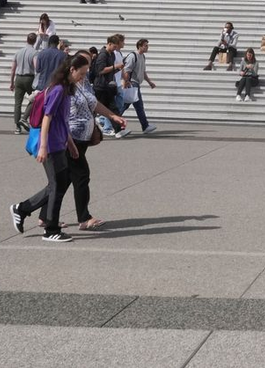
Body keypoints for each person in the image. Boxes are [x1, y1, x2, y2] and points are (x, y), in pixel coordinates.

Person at [10, 54, 82, 242]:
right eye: (81, 73)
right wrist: (43, 147)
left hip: (59, 143)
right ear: (71, 70)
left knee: (60, 183)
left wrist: (71, 144)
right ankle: (51, 229)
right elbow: (47, 118)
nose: (83, 77)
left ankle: (23, 209)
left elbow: (62, 120)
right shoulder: (58, 90)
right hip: (50, 145)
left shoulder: (66, 89)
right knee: (57, 185)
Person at [67, 50, 127, 231]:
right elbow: (54, 117)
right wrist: (67, 141)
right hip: (70, 138)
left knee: (64, 179)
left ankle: (43, 215)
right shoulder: (63, 87)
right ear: (72, 68)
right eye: (84, 69)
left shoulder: (82, 81)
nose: (87, 72)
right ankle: (83, 218)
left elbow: (93, 103)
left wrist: (112, 116)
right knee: (78, 177)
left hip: (82, 138)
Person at [116, 38, 157, 136]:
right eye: (145, 45)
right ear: (140, 46)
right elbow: (127, 70)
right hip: (132, 84)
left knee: (125, 105)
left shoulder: (142, 57)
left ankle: (109, 120)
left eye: (147, 45)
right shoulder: (133, 56)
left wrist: (149, 82)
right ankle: (145, 126)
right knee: (138, 106)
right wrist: (125, 83)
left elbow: (143, 72)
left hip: (136, 84)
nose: (147, 47)